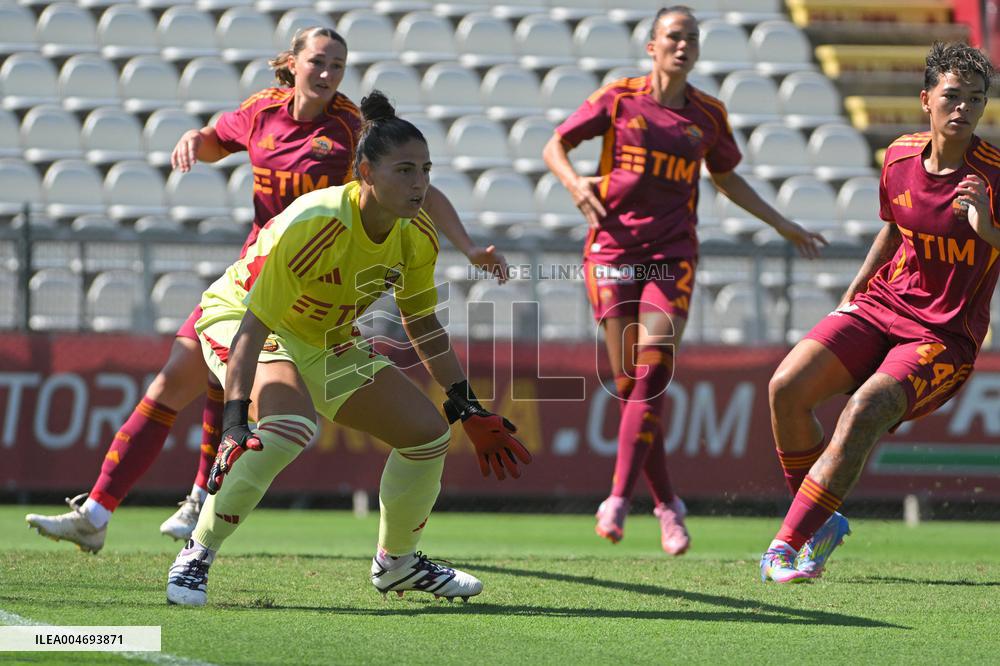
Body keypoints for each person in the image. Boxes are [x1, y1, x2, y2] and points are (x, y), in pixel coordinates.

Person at [26, 26, 507, 553]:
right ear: (293, 64)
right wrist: (195, 139)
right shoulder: (262, 110)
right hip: (255, 276)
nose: (327, 74)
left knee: (258, 401)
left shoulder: (351, 128)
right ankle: (100, 511)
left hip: (318, 295)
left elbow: (414, 186)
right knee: (176, 384)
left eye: (338, 66)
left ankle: (196, 506)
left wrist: (466, 247)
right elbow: (217, 139)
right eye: (318, 62)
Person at [165, 90, 531, 606]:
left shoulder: (417, 234)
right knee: (288, 428)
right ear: (365, 172)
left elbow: (422, 322)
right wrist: (232, 420)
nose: (419, 182)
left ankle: (398, 564)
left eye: (425, 169)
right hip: (241, 318)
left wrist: (465, 403)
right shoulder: (321, 223)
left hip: (325, 336)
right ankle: (197, 552)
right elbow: (254, 324)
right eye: (404, 170)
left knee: (428, 435)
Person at [542, 5, 825, 555]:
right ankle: (669, 503)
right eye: (673, 36)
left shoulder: (708, 115)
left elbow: (728, 178)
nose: (683, 45)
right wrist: (575, 185)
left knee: (650, 374)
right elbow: (555, 145)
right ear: (652, 46)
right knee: (631, 386)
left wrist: (784, 224)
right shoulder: (620, 98)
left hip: (672, 256)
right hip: (611, 252)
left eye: (691, 38)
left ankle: (617, 497)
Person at [760, 42, 1000, 583]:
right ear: (926, 100)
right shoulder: (898, 157)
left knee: (865, 408)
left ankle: (783, 546)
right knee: (785, 388)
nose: (963, 109)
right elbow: (893, 227)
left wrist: (987, 228)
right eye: (952, 97)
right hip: (878, 306)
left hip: (943, 334)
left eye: (976, 100)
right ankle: (820, 523)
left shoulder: (995, 175)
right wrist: (854, 290)